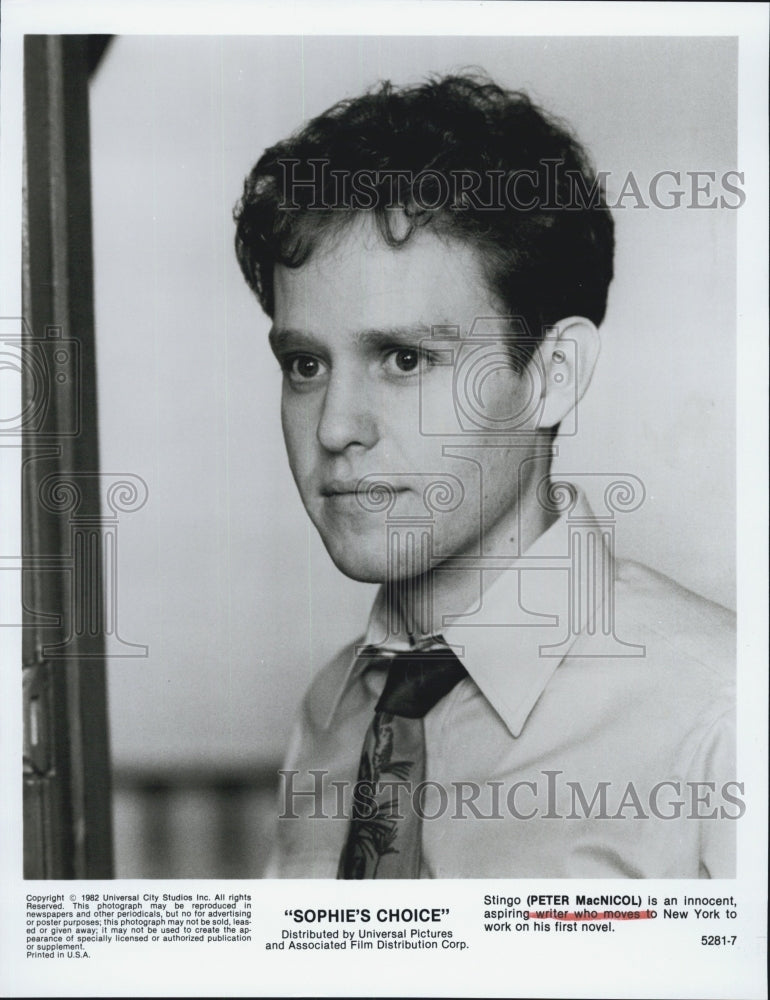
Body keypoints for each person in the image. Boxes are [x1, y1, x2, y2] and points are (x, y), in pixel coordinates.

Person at [233, 73, 737, 878]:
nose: (334, 427)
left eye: (405, 359)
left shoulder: (724, 719)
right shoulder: (330, 715)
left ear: (552, 374)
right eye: (304, 365)